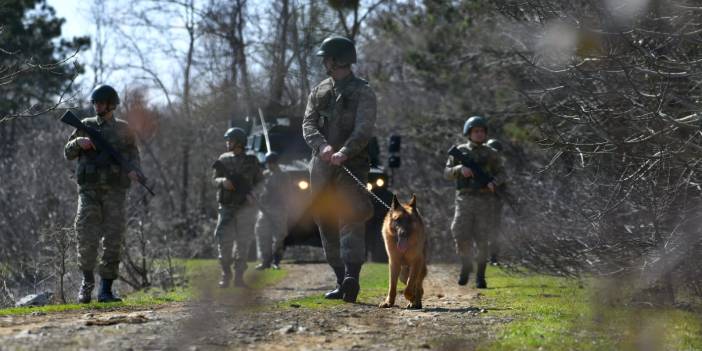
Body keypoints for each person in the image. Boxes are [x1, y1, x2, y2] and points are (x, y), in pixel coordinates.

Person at [302, 35, 377, 303]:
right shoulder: (319, 90)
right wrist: (322, 147)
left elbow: (364, 129)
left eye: (327, 58)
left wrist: (345, 152)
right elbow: (308, 125)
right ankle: (339, 279)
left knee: (351, 217)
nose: (324, 62)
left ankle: (352, 278)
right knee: (324, 220)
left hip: (352, 165)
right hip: (321, 167)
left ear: (338, 60)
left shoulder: (363, 91)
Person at [64, 84, 140, 303]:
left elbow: (134, 156)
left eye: (101, 103)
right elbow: (67, 152)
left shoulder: (125, 129)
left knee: (114, 240)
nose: (97, 106)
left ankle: (105, 290)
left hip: (116, 193)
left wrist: (135, 172)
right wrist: (78, 142)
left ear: (111, 105)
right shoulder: (85, 126)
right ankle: (86, 285)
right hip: (89, 192)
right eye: (95, 102)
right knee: (86, 237)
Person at [444, 116, 505, 289]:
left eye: (481, 131)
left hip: (485, 200)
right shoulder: (460, 151)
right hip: (464, 198)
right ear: (469, 133)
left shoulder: (491, 153)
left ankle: (480, 276)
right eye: (475, 131)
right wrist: (459, 169)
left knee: (482, 238)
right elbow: (447, 172)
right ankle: (466, 263)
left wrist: (494, 182)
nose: (479, 134)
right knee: (459, 232)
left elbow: (502, 173)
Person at [212, 127, 263, 288]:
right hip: (226, 207)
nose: (227, 143)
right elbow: (214, 179)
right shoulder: (223, 159)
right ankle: (226, 274)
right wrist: (223, 182)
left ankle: (239, 277)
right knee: (223, 242)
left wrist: (253, 195)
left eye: (230, 140)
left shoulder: (251, 160)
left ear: (239, 142)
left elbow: (260, 183)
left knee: (243, 243)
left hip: (245, 209)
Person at [254, 152, 291, 270]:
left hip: (279, 209)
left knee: (279, 237)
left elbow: (286, 192)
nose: (269, 165)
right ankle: (265, 261)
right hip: (264, 209)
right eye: (268, 163)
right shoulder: (265, 175)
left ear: (276, 163)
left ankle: (276, 261)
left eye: (271, 163)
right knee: (262, 234)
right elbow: (258, 189)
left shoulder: (283, 176)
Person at [485, 138, 506, 265]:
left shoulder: (499, 167)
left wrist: (494, 183)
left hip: (495, 202)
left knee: (494, 230)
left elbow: (503, 179)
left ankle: (493, 257)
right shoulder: (482, 165)